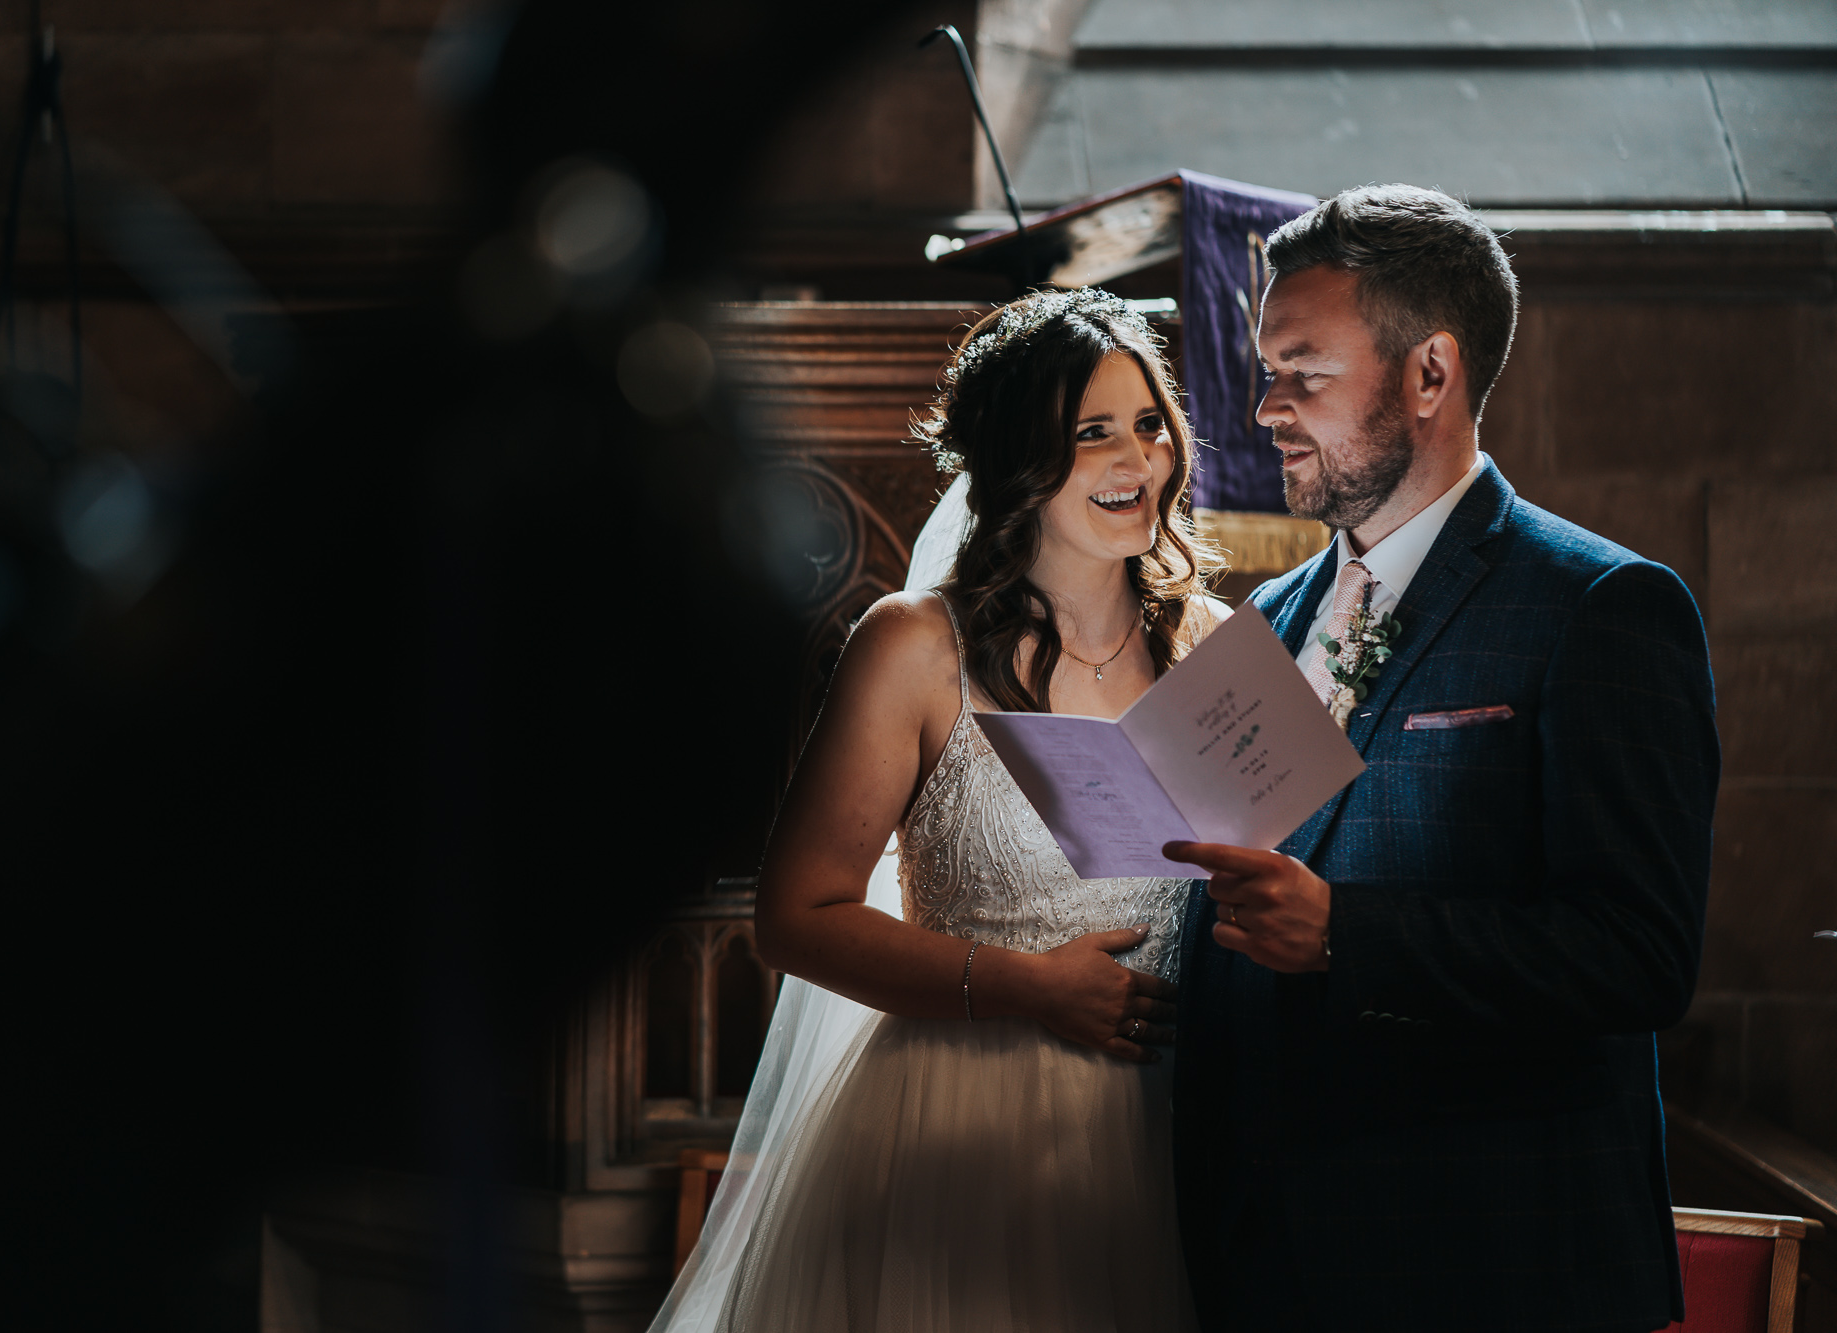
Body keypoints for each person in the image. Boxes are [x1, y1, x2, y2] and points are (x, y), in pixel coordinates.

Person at [1167, 185, 1719, 1332]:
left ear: (1430, 374)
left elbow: (1636, 956)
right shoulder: (1267, 617)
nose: (1264, 406)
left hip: (1487, 1263)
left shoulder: (1601, 607)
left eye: (1302, 372)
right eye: (1263, 368)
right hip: (1259, 1261)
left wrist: (1343, 935)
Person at [648, 288, 1227, 1332]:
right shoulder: (913, 646)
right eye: (1091, 433)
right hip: (959, 1127)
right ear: (1014, 461)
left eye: (1149, 424)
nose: (1137, 460)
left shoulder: (1212, 648)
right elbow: (795, 916)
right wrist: (1030, 987)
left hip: (1174, 1135)